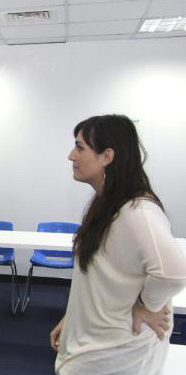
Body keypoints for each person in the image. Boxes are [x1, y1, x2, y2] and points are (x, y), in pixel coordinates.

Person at [51, 114, 186, 375]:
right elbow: (100, 277)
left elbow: (173, 273)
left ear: (107, 157)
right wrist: (74, 318)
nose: (71, 156)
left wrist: (148, 305)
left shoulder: (138, 211)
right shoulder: (107, 204)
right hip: (96, 344)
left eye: (80, 147)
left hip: (114, 356)